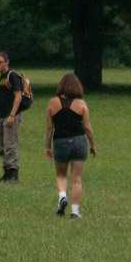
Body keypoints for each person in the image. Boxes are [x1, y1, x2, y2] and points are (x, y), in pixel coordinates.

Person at [45, 73, 97, 219]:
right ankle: (74, 211)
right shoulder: (81, 104)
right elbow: (87, 127)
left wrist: (47, 146)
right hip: (79, 142)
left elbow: (50, 127)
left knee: (61, 175)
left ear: (61, 86)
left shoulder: (52, 103)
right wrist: (93, 144)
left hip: (60, 142)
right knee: (76, 179)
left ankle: (62, 196)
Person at [0, 51, 26, 183]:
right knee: (1, 145)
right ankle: (6, 172)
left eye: (1, 62)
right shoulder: (1, 77)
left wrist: (12, 115)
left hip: (10, 116)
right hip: (1, 116)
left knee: (10, 145)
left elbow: (18, 96)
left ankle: (13, 174)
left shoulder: (12, 76)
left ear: (7, 62)